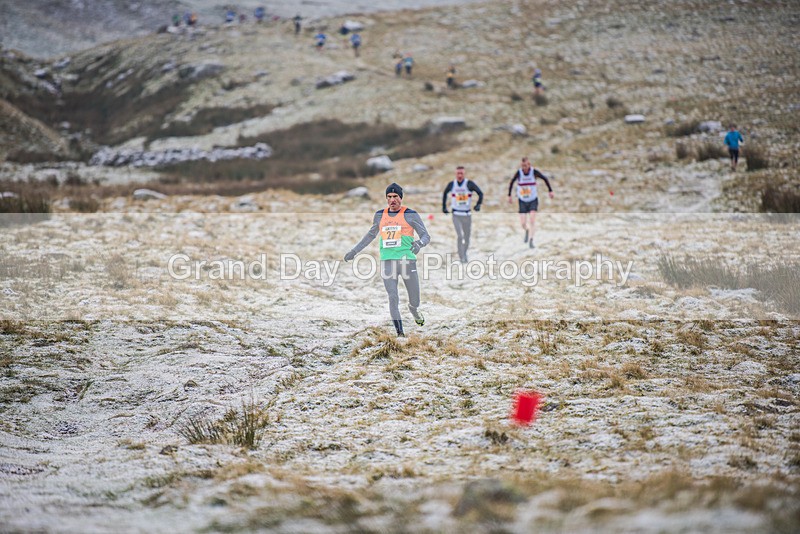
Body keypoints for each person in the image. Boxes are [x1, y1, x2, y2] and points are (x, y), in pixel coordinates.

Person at [344, 183, 430, 337]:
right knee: (393, 296)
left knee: (415, 299)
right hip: (387, 262)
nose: (392, 200)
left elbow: (425, 235)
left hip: (406, 261)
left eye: (395, 196)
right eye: (389, 197)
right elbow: (370, 235)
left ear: (401, 198)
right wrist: (354, 251)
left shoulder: (410, 214)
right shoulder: (379, 215)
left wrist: (419, 243)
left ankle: (414, 309)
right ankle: (400, 334)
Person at [507, 157, 554, 249]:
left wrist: (550, 191)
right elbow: (511, 182)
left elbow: (545, 179)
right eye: (523, 166)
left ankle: (531, 240)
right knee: (523, 223)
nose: (524, 167)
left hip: (533, 199)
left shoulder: (534, 172)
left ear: (529, 165)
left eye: (526, 165)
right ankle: (527, 230)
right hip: (522, 200)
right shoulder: (519, 173)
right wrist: (509, 195)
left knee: (532, 220)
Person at [442, 166, 483, 263]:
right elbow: (445, 193)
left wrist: (478, 205)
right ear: (455, 174)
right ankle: (461, 257)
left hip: (467, 215)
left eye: (461, 173)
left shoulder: (469, 184)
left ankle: (464, 253)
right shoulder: (452, 184)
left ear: (464, 174)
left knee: (467, 237)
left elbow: (480, 193)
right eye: (458, 173)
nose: (460, 175)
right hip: (456, 214)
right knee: (460, 236)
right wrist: (444, 207)